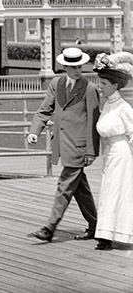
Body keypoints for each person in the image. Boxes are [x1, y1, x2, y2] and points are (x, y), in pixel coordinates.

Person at [26, 46, 100, 243]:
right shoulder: (56, 84)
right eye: (73, 67)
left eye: (80, 66)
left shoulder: (90, 89)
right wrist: (34, 132)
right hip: (61, 143)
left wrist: (91, 151)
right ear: (65, 67)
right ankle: (96, 226)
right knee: (80, 189)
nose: (77, 70)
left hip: (79, 148)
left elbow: (93, 121)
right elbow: (44, 111)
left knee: (64, 186)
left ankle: (50, 227)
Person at [90, 51, 133, 250]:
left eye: (104, 84)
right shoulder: (108, 105)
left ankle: (113, 234)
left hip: (122, 154)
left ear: (115, 85)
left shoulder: (124, 108)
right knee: (108, 192)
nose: (100, 87)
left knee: (118, 192)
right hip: (110, 153)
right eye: (100, 83)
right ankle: (105, 234)